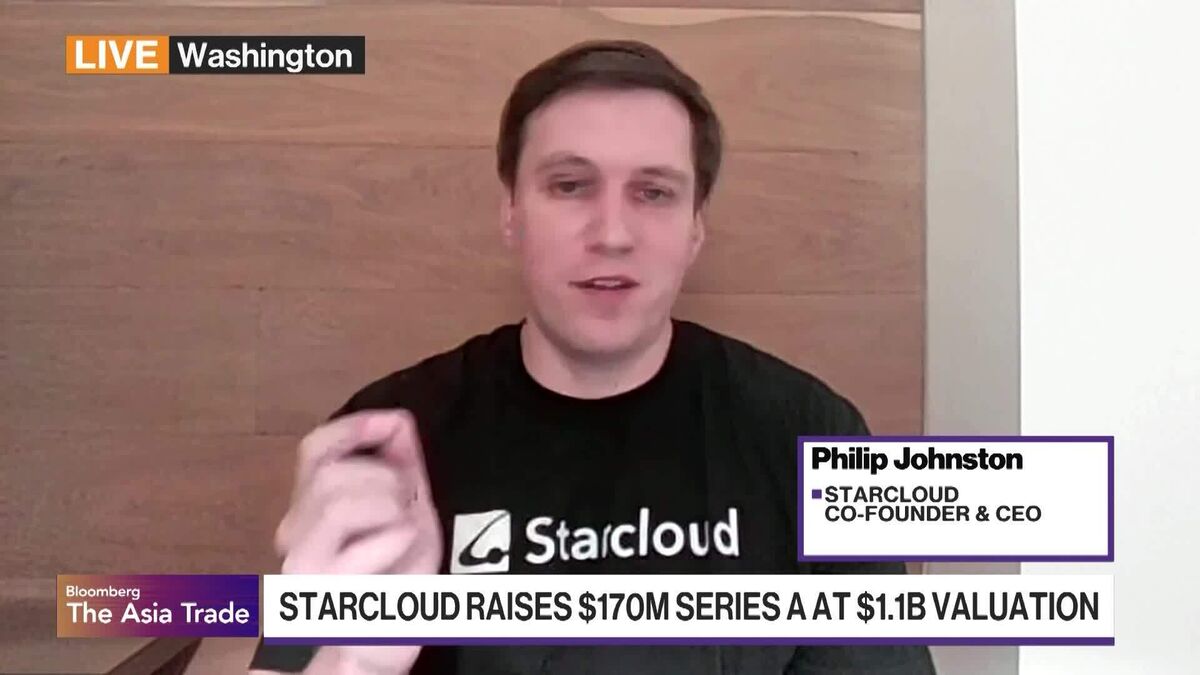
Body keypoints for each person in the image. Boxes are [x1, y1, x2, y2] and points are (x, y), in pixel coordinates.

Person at [250, 39, 935, 675]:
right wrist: (351, 665)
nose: (612, 234)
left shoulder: (811, 432)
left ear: (696, 228)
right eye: (571, 185)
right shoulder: (387, 442)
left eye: (654, 192)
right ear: (511, 212)